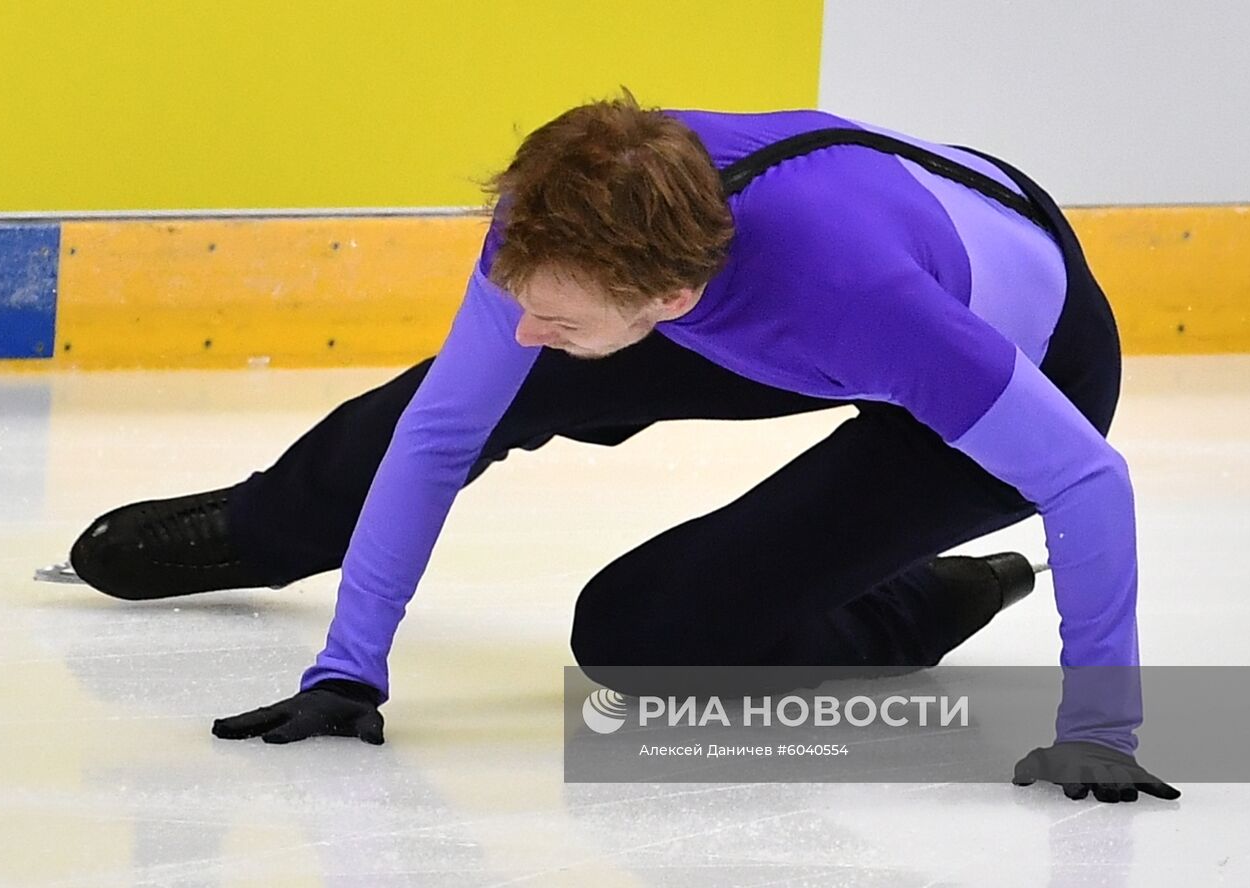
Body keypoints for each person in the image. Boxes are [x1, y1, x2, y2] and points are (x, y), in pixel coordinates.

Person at [69, 91, 1178, 804]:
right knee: (482, 385)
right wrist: (348, 669)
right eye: (522, 293)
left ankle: (918, 601)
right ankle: (265, 525)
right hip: (782, 277)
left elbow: (1086, 479)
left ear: (674, 298)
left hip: (1008, 344)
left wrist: (1098, 728)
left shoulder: (862, 305)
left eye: (555, 315)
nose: (522, 325)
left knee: (642, 638)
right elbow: (446, 425)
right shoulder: (554, 221)